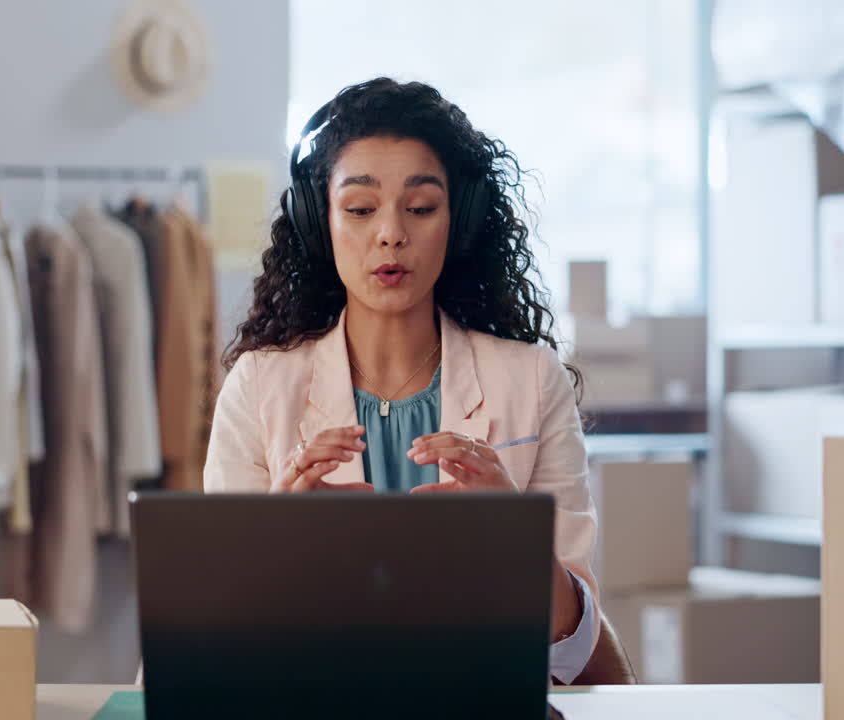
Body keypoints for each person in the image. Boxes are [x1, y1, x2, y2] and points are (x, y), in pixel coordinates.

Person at [205, 78, 599, 683]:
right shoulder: (258, 386)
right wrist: (274, 543)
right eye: (360, 209)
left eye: (419, 208)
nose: (391, 233)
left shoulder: (533, 381)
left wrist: (515, 539)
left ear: (458, 222)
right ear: (321, 223)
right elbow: (217, 642)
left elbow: (573, 651)